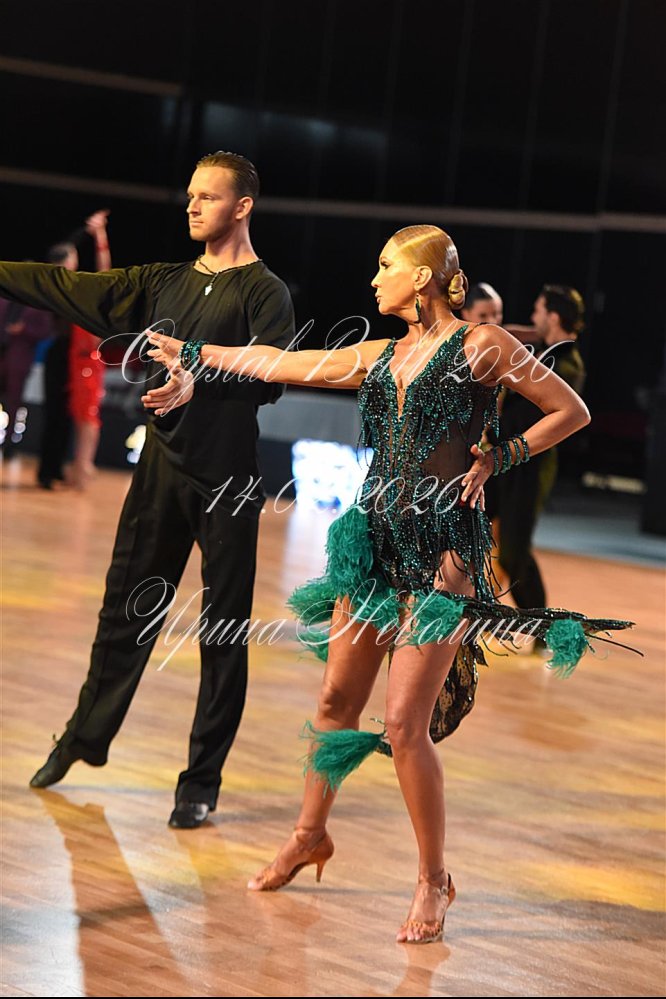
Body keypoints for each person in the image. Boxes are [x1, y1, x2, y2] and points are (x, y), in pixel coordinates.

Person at [144, 225, 633, 941]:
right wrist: (195, 353)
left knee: (404, 725)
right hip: (373, 543)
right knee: (335, 700)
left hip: (445, 552)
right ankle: (309, 834)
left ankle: (434, 879)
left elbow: (571, 410)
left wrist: (500, 456)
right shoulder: (382, 354)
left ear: (424, 276)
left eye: (385, 266)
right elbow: (281, 361)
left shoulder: (482, 345)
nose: (373, 279)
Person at [0, 151, 296, 828]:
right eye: (190, 194)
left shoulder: (265, 292)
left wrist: (197, 374)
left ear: (242, 207)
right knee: (123, 612)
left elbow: (272, 373)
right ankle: (84, 736)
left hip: (227, 481)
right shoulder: (163, 282)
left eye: (207, 197)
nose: (192, 205)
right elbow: (60, 285)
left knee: (222, 632)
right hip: (161, 473)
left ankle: (201, 780)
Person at [492, 286, 587, 643]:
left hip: (531, 467)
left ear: (554, 317)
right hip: (509, 461)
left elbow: (527, 420)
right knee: (487, 538)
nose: (533, 318)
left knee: (514, 553)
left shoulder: (567, 364)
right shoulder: (549, 352)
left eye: (538, 311)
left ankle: (546, 628)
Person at [0, 294, 53, 458]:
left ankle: (9, 442)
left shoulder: (37, 304)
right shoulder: (4, 300)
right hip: (4, 354)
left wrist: (24, 329)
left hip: (19, 359)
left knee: (13, 402)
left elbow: (45, 331)